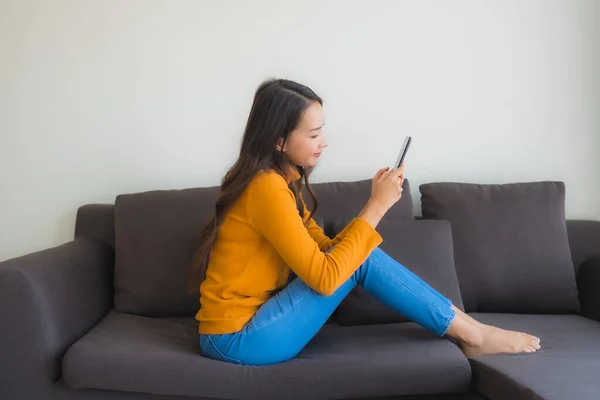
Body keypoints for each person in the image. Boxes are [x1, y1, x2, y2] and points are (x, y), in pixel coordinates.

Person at [188, 78, 541, 366]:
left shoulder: (281, 181)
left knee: (359, 255)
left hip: (246, 328)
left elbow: (329, 252)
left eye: (321, 130)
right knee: (361, 257)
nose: (323, 142)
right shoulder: (265, 188)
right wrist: (376, 206)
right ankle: (474, 335)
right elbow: (326, 279)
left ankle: (473, 332)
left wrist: (372, 208)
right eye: (312, 135)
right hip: (236, 339)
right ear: (279, 141)